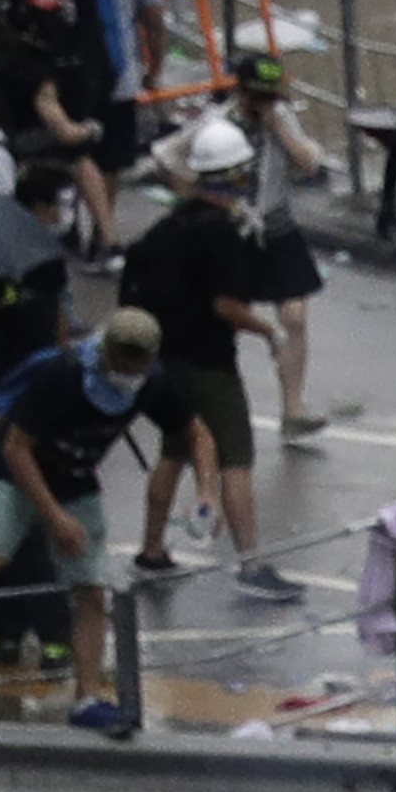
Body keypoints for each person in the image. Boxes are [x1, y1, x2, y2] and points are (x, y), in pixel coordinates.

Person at [0, 307, 158, 725]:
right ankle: (5, 627)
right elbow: (15, 448)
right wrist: (54, 516)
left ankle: (70, 669)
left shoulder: (84, 369)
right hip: (12, 450)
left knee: (82, 585)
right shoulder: (57, 374)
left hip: (61, 471)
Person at [121, 122, 298, 597]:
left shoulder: (169, 226)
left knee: (175, 450)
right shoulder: (223, 234)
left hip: (163, 360)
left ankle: (152, 549)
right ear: (238, 175)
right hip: (207, 360)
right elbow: (226, 305)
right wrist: (269, 331)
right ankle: (250, 565)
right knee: (235, 457)